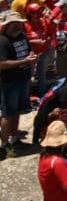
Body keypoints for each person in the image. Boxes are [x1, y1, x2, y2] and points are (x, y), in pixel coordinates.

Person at [0, 10, 36, 158]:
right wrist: (25, 61)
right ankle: (4, 144)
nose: (18, 26)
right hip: (9, 82)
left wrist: (32, 57)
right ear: (7, 26)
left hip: (23, 79)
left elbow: (28, 51)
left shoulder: (22, 36)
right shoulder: (2, 41)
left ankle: (14, 139)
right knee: (8, 113)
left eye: (20, 23)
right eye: (14, 24)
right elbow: (2, 64)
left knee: (18, 111)